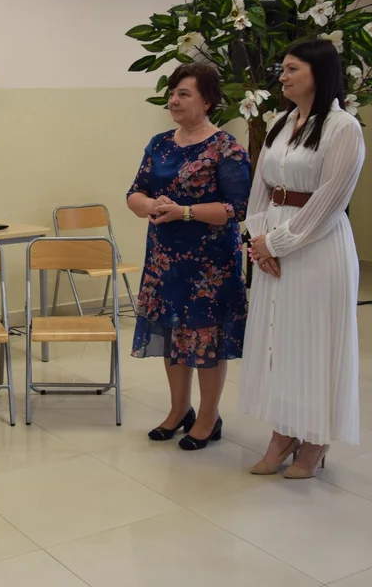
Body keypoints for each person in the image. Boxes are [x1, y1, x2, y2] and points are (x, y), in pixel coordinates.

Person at [239, 38, 364, 478]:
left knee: (315, 340)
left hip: (318, 249)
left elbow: (330, 200)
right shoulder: (280, 121)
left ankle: (315, 439)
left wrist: (278, 244)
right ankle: (283, 430)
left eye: (293, 69)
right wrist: (257, 238)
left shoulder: (343, 127)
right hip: (273, 241)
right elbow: (262, 186)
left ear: (319, 72)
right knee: (281, 341)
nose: (283, 76)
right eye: (284, 68)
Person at [126, 62, 250, 451]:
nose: (173, 100)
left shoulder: (226, 148)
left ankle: (209, 416)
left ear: (208, 101)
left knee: (205, 338)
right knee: (173, 332)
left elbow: (238, 208)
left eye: (184, 94)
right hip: (165, 259)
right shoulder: (160, 143)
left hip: (210, 264)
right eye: (172, 93)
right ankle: (180, 410)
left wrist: (184, 212)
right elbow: (134, 192)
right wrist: (149, 205)